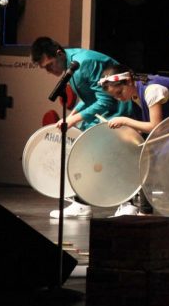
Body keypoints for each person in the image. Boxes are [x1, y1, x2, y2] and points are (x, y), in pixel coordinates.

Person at [31, 36, 134, 219]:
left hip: (118, 108)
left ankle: (128, 204)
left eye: (49, 65)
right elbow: (90, 99)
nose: (49, 71)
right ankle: (81, 204)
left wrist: (74, 119)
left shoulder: (84, 62)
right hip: (102, 111)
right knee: (82, 153)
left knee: (112, 155)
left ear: (59, 53)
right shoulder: (70, 66)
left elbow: (107, 99)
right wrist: (70, 118)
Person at [98, 63, 169, 217]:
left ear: (129, 81)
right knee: (142, 160)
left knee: (165, 165)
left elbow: (155, 126)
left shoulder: (152, 90)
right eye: (115, 96)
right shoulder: (135, 93)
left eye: (119, 92)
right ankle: (145, 211)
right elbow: (146, 125)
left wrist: (125, 121)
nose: (119, 98)